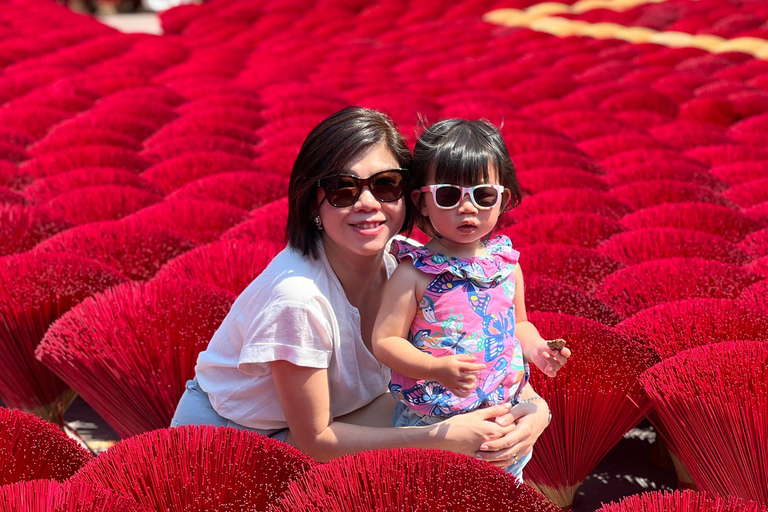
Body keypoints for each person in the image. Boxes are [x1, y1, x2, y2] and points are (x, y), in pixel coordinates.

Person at [171, 106, 552, 468]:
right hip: (236, 445)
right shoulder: (297, 301)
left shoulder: (417, 267)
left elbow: (495, 344)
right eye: (343, 189)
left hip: (343, 418)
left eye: (386, 185)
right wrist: (442, 437)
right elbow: (314, 440)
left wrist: (535, 411)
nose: (368, 203)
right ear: (311, 204)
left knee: (476, 424)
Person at [372, 118, 571, 481]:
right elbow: (385, 341)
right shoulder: (415, 272)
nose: (468, 208)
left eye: (483, 195)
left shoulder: (507, 267)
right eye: (449, 195)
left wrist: (538, 350)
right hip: (432, 422)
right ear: (423, 202)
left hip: (501, 417)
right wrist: (435, 369)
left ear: (503, 200)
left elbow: (519, 325)